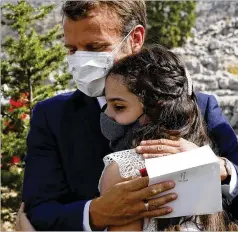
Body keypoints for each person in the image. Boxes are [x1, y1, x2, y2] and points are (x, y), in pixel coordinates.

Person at [21, 1, 238, 231]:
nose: (81, 61)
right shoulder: (52, 116)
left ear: (135, 39)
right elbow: (37, 211)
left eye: (95, 47)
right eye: (72, 50)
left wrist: (221, 169)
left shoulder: (198, 106)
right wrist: (96, 213)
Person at [98, 45, 238, 231]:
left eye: (119, 106)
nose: (107, 115)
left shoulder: (121, 171)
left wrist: (219, 167)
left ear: (152, 108)